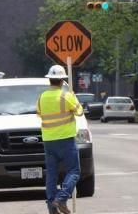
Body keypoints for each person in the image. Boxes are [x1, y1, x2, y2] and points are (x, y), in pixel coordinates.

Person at [37, 65, 84, 214]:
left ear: (49, 80)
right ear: (62, 80)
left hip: (49, 141)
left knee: (51, 174)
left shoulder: (42, 97)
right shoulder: (66, 96)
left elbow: (39, 114)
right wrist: (74, 96)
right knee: (74, 171)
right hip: (66, 140)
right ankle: (62, 198)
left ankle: (52, 207)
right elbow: (79, 112)